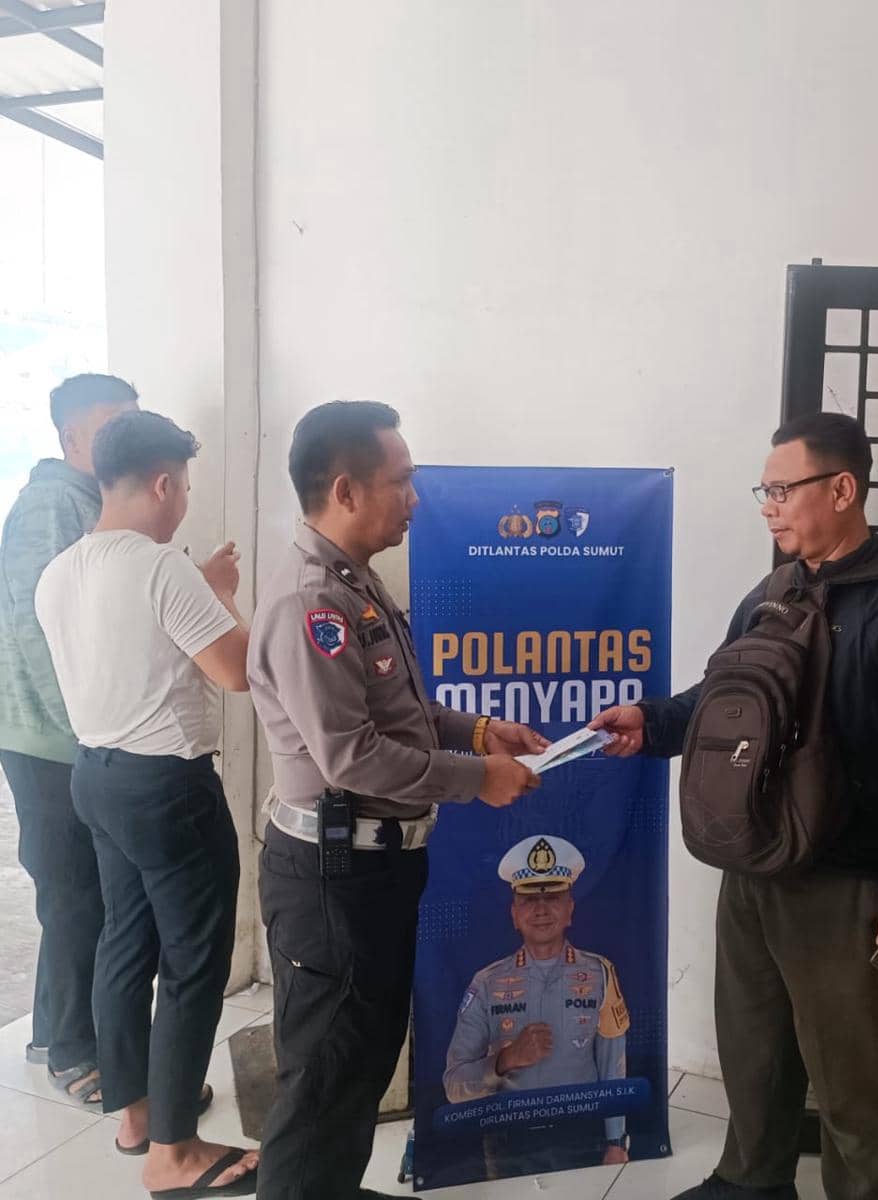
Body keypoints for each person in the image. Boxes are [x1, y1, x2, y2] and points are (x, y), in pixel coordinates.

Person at [591, 412, 878, 1200]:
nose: (768, 507)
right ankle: (752, 1182)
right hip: (756, 863)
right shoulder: (773, 594)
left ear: (842, 489)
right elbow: (724, 700)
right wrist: (653, 722)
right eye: (762, 492)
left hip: (845, 883)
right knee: (754, 1048)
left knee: (851, 1078)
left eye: (782, 489)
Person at [248, 399, 547, 1200]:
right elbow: (353, 756)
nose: (415, 498)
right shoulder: (312, 604)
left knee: (363, 1057)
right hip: (332, 877)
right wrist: (479, 778)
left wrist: (479, 731)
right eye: (401, 481)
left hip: (373, 869)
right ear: (345, 490)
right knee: (325, 1077)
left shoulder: (355, 583)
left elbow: (398, 713)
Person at [35, 410, 258, 1198]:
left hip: (95, 778)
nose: (185, 501)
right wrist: (220, 594)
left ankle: (136, 1115)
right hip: (166, 788)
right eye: (185, 486)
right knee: (195, 961)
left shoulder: (60, 571)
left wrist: (202, 590)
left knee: (124, 945)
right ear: (164, 483)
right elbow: (237, 671)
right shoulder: (163, 568)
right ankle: (175, 1154)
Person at [0, 374, 138, 1095]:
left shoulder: (89, 499)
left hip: (73, 734)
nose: (126, 442)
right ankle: (76, 1057)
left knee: (78, 893)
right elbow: (34, 627)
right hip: (49, 739)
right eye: (114, 428)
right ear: (72, 438)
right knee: (77, 894)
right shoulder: (51, 505)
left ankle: (51, 1031)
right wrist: (87, 732)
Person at [443, 834, 630, 1177]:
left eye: (553, 897)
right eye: (529, 899)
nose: (541, 909)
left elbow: (612, 1066)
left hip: (582, 1135)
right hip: (510, 1142)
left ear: (570, 909)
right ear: (514, 914)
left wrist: (615, 1140)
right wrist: (506, 1060)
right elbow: (454, 1086)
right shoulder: (486, 983)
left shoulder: (600, 973)